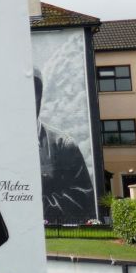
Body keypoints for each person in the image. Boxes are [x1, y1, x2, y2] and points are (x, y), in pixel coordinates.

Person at [33, 68, 94, 220]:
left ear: (39, 97)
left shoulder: (63, 145)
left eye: (31, 94)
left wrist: (30, 204)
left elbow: (82, 199)